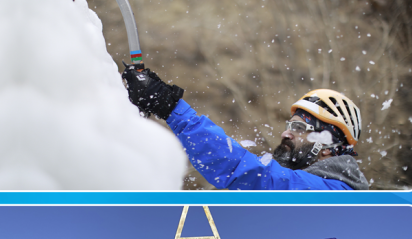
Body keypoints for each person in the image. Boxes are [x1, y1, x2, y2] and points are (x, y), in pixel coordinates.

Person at [122, 65, 369, 190]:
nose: (286, 133)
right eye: (289, 125)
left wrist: (172, 108)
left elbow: (249, 172)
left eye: (299, 128)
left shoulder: (332, 194)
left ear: (327, 147)